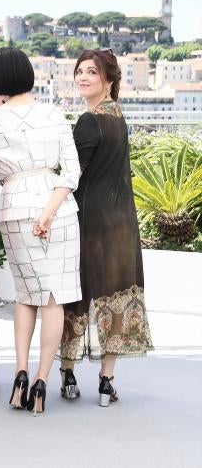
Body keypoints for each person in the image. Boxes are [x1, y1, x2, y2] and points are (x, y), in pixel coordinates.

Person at [0, 48, 82, 415]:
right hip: (59, 207)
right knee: (54, 297)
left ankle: (19, 373)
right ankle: (40, 379)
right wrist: (49, 212)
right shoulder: (53, 114)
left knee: (25, 294)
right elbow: (71, 172)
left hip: (15, 205)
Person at [59, 49, 153, 406]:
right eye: (79, 72)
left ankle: (67, 375)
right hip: (122, 223)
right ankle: (106, 381)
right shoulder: (118, 117)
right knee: (116, 295)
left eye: (91, 73)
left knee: (78, 296)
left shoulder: (89, 120)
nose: (82, 77)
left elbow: (73, 175)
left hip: (90, 221)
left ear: (108, 80)